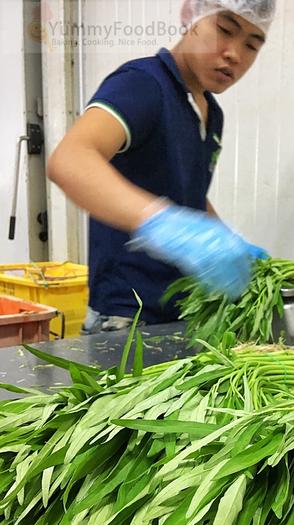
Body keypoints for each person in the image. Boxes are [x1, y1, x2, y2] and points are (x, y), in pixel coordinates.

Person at [47, 0, 276, 334]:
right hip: (127, 314)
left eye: (252, 45)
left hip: (183, 310)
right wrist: (160, 222)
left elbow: (187, 192)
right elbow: (70, 159)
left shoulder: (211, 113)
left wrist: (226, 239)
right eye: (224, 30)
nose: (234, 54)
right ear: (191, 17)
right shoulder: (143, 84)